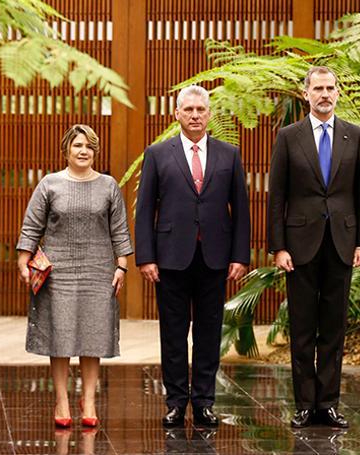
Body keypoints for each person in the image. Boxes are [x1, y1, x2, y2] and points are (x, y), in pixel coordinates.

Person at [135, 85, 251, 428]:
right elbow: (145, 210)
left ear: (210, 114)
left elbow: (241, 210)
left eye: (201, 109)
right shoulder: (157, 153)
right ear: (177, 114)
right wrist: (146, 257)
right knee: (173, 333)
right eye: (189, 110)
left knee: (208, 332)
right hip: (170, 257)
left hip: (215, 257)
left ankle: (203, 402)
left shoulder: (229, 155)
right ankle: (174, 402)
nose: (195, 115)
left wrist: (239, 256)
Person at [267, 66, 360, 429]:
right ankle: (303, 405)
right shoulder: (288, 137)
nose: (325, 94)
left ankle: (327, 403)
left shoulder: (354, 136)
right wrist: (278, 246)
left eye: (330, 88)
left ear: (338, 92)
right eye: (318, 89)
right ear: (307, 93)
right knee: (301, 329)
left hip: (342, 244)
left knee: (333, 328)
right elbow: (276, 195)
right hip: (299, 247)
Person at [16, 124, 133, 428]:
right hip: (59, 271)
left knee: (92, 336)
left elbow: (119, 229)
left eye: (90, 147)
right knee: (61, 336)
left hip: (99, 270)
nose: (84, 151)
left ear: (96, 152)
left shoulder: (108, 186)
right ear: (66, 149)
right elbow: (32, 226)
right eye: (78, 145)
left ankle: (90, 400)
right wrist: (23, 258)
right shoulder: (49, 184)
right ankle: (61, 399)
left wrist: (121, 266)